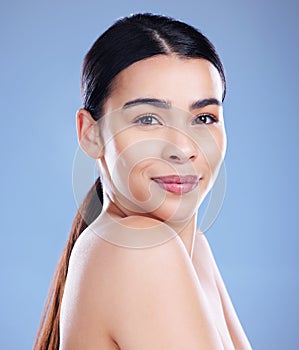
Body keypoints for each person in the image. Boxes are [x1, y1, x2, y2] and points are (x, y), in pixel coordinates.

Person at [34, 13, 252, 350]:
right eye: (148, 119)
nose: (182, 148)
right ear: (90, 134)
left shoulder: (194, 252)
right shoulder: (140, 249)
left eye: (204, 118)